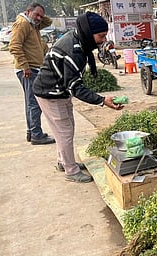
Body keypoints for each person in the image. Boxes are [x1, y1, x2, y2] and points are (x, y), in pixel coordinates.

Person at [33, 12, 124, 183]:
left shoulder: (78, 40)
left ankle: (64, 161)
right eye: (101, 36)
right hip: (50, 93)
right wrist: (102, 100)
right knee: (64, 132)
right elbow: (76, 87)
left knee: (66, 129)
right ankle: (71, 171)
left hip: (60, 91)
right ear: (89, 33)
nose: (103, 40)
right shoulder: (74, 51)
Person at [9, 3, 55, 145]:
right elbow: (14, 47)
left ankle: (32, 131)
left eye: (41, 16)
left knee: (31, 102)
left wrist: (38, 17)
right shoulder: (23, 24)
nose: (40, 18)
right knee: (35, 103)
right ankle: (36, 134)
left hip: (33, 68)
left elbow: (49, 22)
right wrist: (25, 66)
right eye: (36, 15)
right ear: (28, 11)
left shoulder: (33, 24)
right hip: (28, 70)